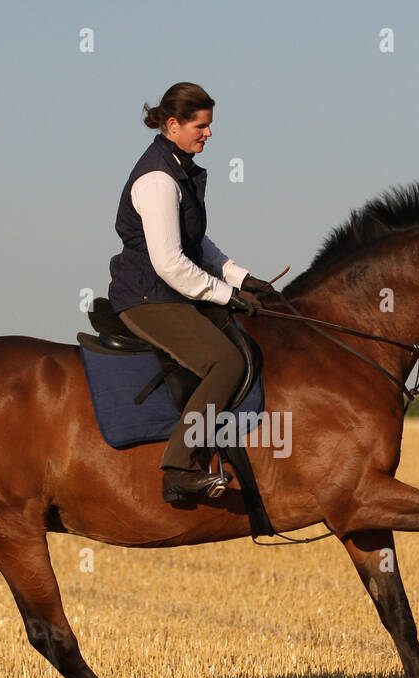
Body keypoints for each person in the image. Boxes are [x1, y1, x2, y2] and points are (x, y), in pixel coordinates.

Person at [108, 82, 273, 503]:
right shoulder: (158, 179)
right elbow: (170, 263)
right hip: (148, 298)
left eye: (209, 125)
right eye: (201, 126)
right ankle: (179, 469)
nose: (209, 133)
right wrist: (226, 296)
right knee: (226, 361)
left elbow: (197, 244)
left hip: (171, 292)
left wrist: (241, 277)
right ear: (172, 124)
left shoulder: (179, 167)